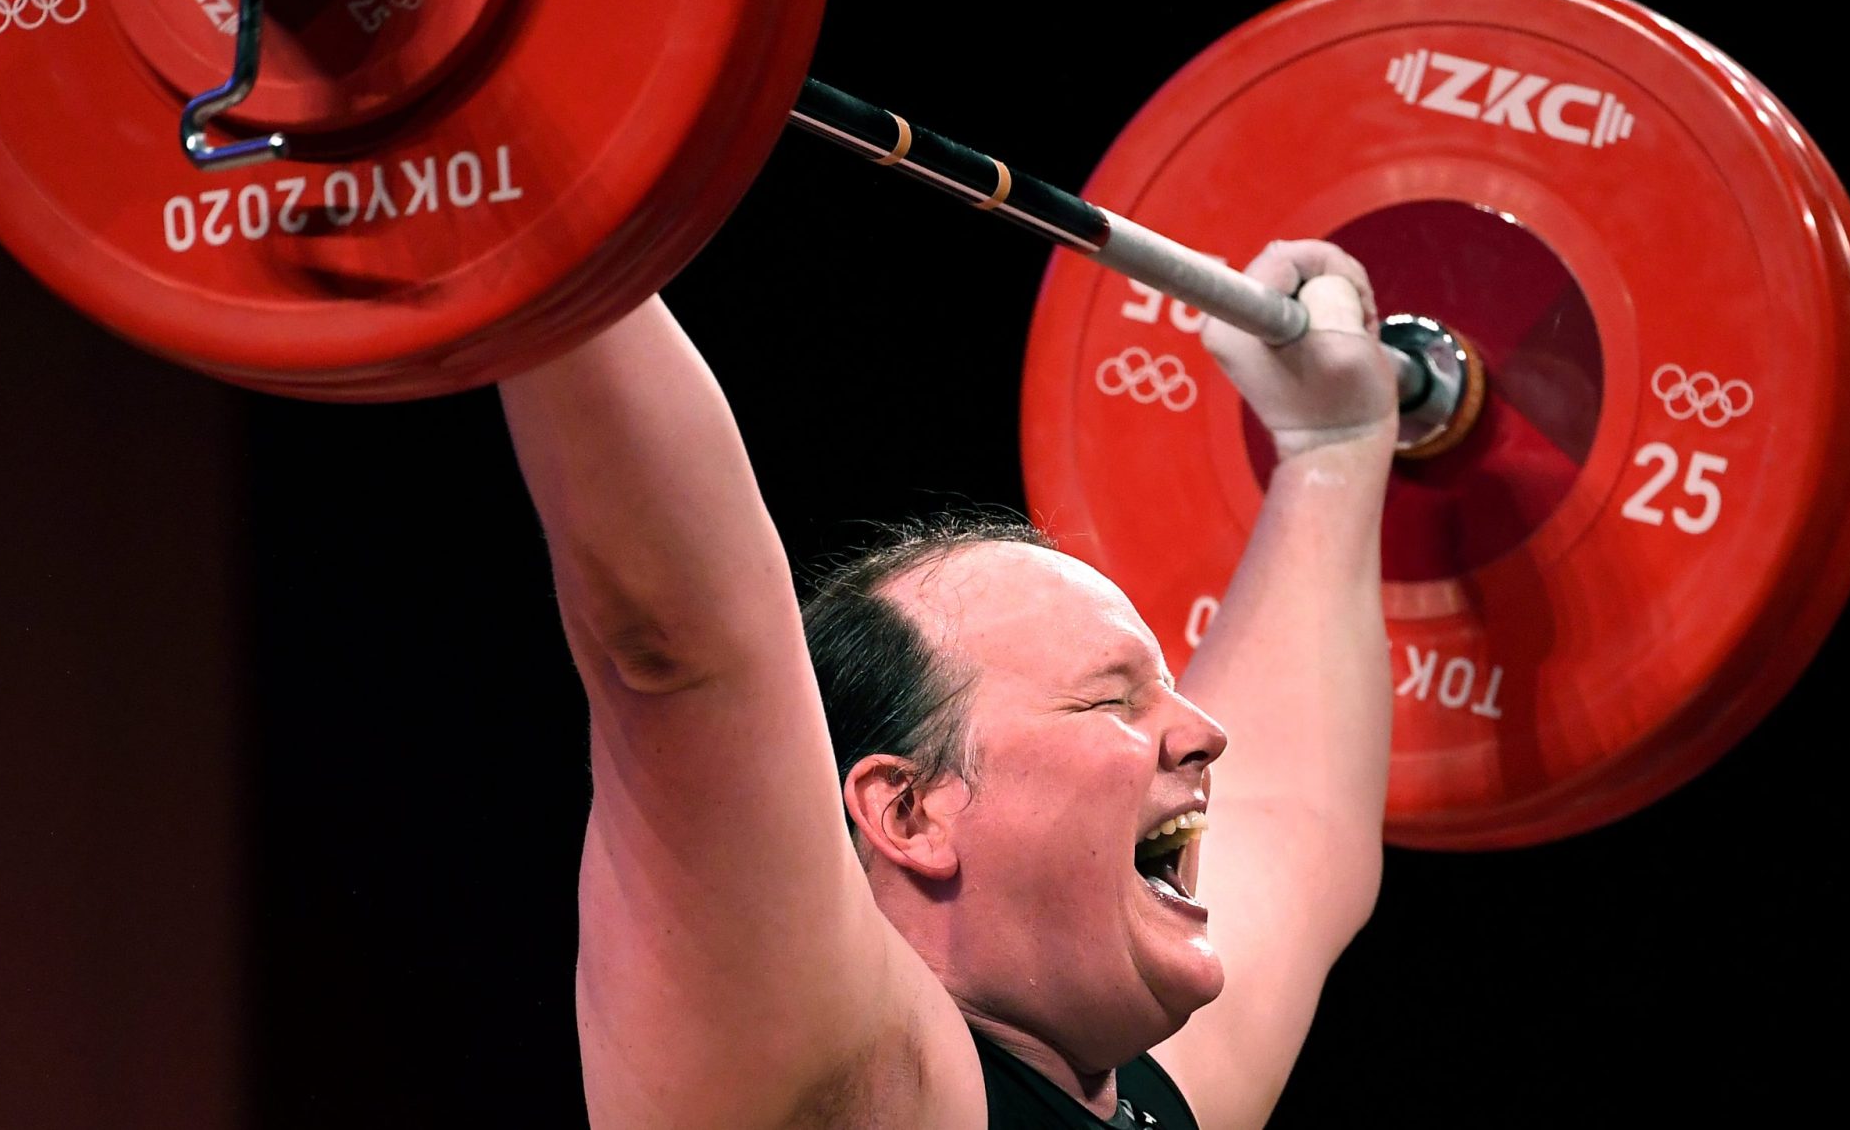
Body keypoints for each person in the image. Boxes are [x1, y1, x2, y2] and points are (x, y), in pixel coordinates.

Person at [498, 239, 1397, 1129]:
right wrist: (548, 231)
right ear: (909, 812)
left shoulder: (1147, 1095)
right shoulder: (859, 1092)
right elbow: (677, 656)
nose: (1208, 734)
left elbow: (1295, 812)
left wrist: (1335, 440)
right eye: (1112, 699)